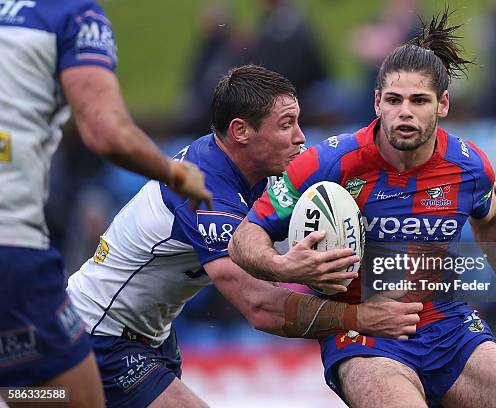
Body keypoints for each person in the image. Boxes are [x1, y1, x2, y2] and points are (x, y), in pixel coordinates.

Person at [229, 10, 496, 408]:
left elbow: (495, 223)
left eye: (419, 100)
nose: (405, 112)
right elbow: (245, 238)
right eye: (394, 100)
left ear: (443, 104)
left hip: (448, 327)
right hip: (365, 337)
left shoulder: (469, 167)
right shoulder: (327, 163)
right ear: (377, 102)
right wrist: (282, 267)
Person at [66, 64, 423, 408]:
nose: (300, 137)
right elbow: (258, 306)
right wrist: (359, 319)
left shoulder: (259, 174)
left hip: (150, 335)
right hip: (98, 333)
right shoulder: (202, 189)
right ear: (241, 132)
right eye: (286, 125)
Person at [0, 0, 211, 405]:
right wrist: (177, 174)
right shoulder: (73, 15)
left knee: (33, 391)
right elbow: (105, 131)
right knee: (81, 399)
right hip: (11, 246)